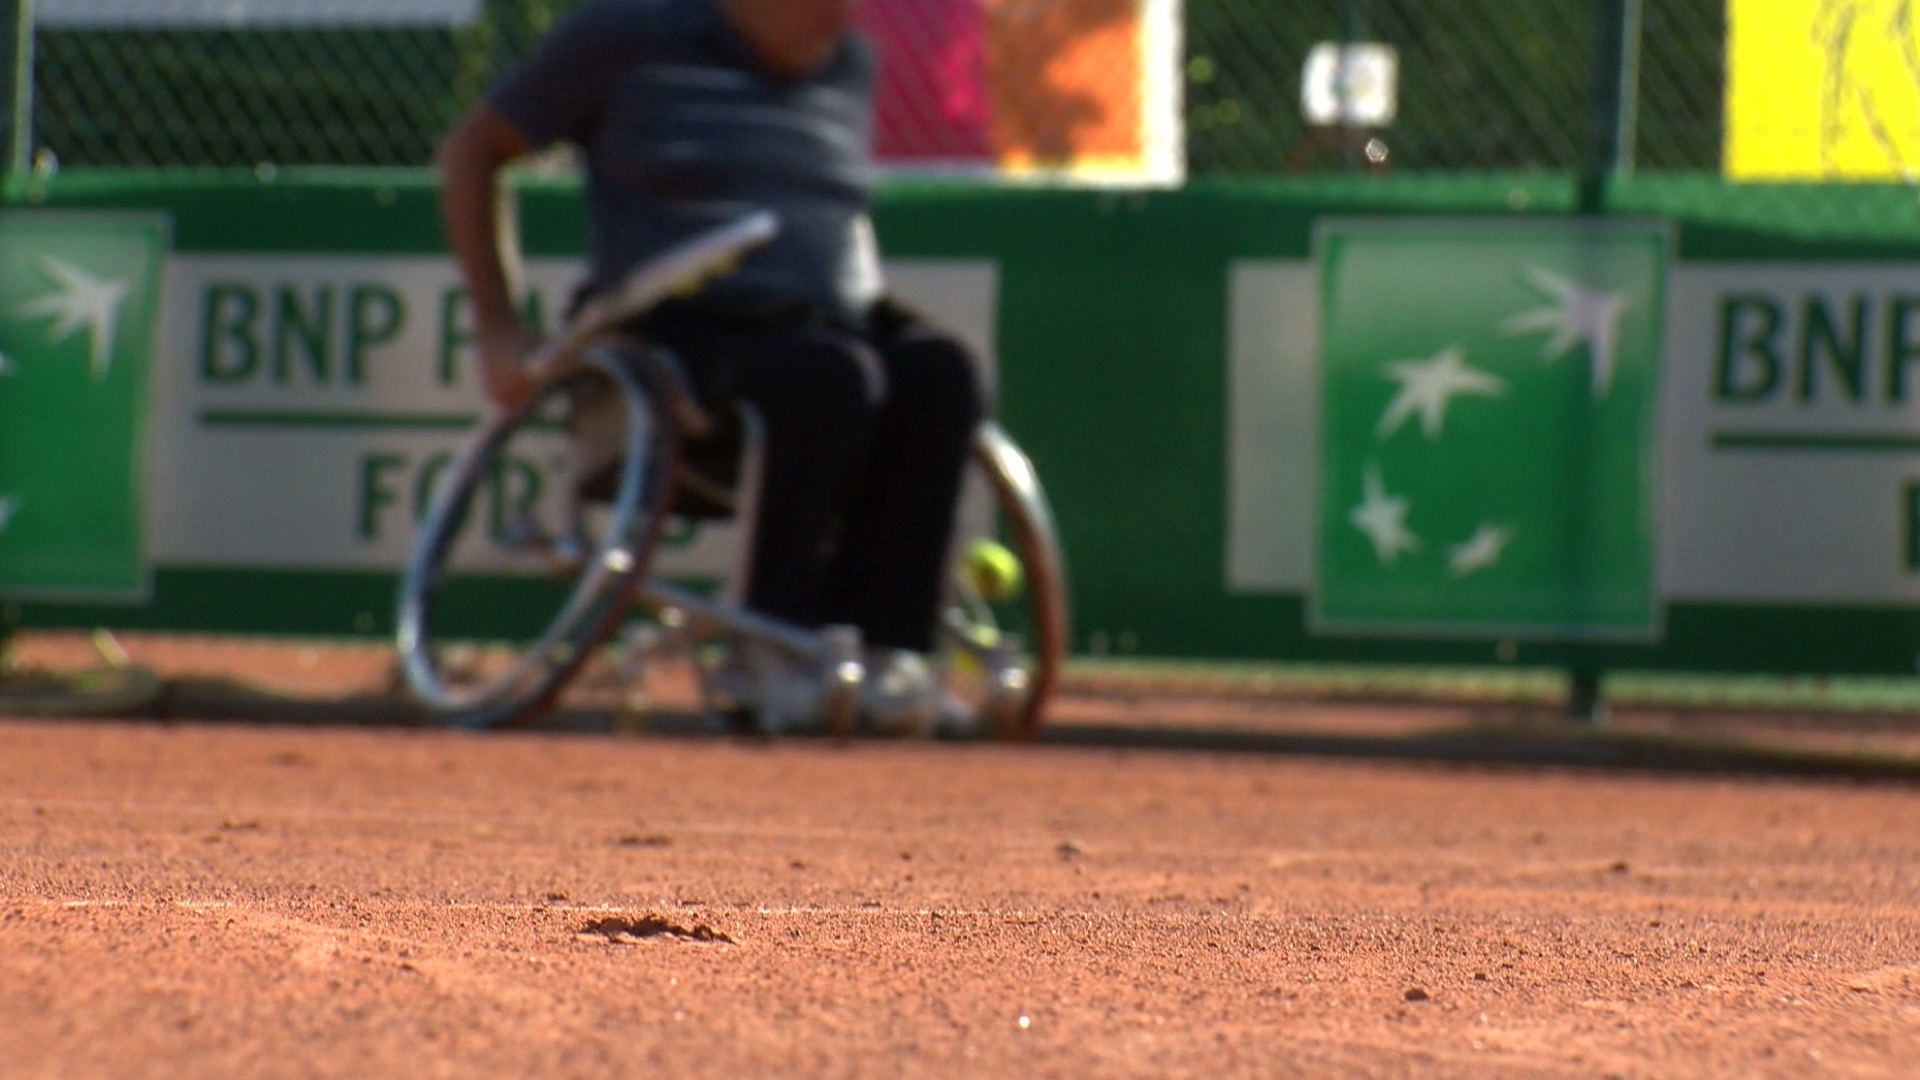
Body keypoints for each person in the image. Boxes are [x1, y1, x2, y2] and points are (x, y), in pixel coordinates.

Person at [436, 0, 986, 732]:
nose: (840, 16)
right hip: (678, 332)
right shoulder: (621, 36)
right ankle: (767, 655)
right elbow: (472, 151)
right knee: (830, 375)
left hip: (829, 323)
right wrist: (498, 328)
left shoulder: (848, 62)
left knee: (942, 370)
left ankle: (888, 656)